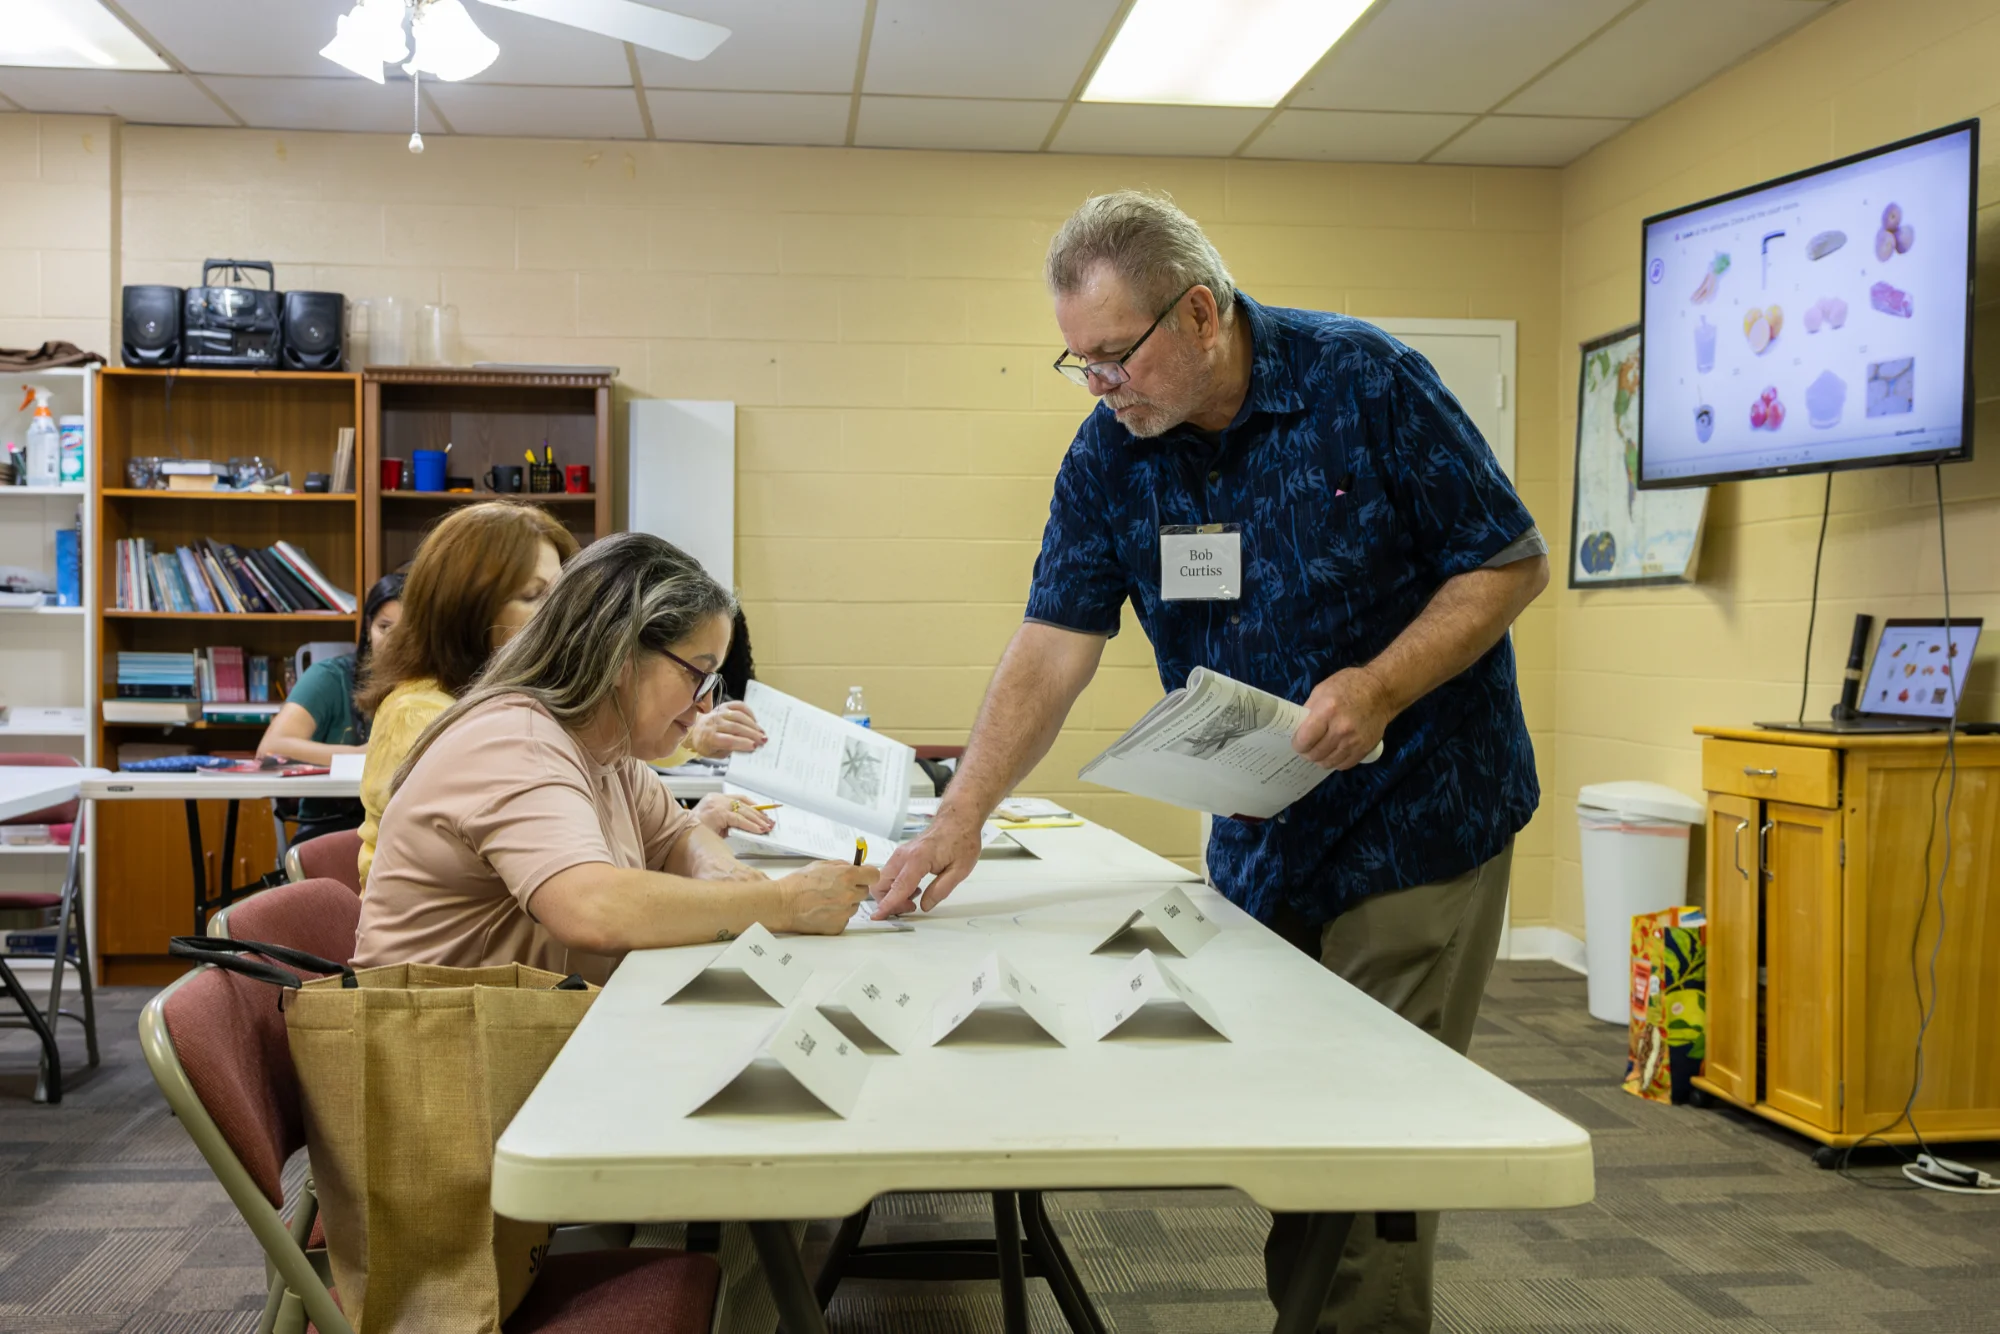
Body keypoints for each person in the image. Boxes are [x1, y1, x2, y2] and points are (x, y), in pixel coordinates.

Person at [875, 191, 1547, 1334]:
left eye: (1112, 355)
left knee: (1373, 1133)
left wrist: (1378, 683)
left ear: (1198, 313)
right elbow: (1050, 644)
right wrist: (961, 812)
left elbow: (1504, 561)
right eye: (1074, 360)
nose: (1098, 384)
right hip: (1256, 825)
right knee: (1289, 1113)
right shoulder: (1109, 457)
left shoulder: (1364, 381)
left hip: (1416, 813)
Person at [353, 531, 876, 981]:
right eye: (696, 673)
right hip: (443, 1062)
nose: (706, 703)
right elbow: (593, 908)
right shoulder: (517, 739)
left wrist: (727, 880)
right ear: (620, 655)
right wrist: (780, 904)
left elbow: (677, 836)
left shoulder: (607, 748)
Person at [354, 503, 580, 886]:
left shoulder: (513, 697)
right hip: (437, 941)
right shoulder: (422, 716)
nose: (561, 617)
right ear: (464, 610)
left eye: (560, 597)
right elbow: (543, 851)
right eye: (533, 596)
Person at [255, 573, 404, 843]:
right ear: (368, 629)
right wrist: (361, 754)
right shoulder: (330, 676)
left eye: (407, 632)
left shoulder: (433, 686)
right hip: (328, 829)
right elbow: (272, 747)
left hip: (400, 833)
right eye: (384, 628)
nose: (395, 643)